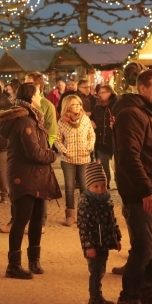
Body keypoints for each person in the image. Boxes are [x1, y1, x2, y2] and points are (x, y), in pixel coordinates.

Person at [112, 69, 152, 304]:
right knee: (144, 246)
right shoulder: (131, 114)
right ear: (142, 88)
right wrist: (145, 189)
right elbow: (129, 157)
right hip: (140, 193)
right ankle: (128, 297)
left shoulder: (148, 113)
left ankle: (146, 289)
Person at [0, 83, 59, 280]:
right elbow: (33, 152)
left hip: (36, 176)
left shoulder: (32, 117)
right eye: (39, 93)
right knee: (20, 220)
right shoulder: (24, 120)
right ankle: (13, 265)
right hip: (23, 176)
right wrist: (52, 155)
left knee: (37, 218)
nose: (41, 97)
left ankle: (34, 260)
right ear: (31, 96)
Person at [78, 162, 122, 304]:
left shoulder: (106, 200)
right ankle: (95, 301)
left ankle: (99, 296)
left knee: (101, 270)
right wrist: (88, 246)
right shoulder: (85, 203)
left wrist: (117, 236)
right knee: (96, 272)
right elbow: (83, 227)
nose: (100, 189)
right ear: (89, 186)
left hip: (104, 243)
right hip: (94, 246)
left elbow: (112, 220)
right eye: (96, 186)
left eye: (103, 185)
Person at [56, 94, 95, 227]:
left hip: (84, 158)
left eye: (79, 104)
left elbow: (91, 135)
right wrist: (65, 151)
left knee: (84, 187)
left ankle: (85, 214)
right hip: (68, 160)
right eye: (74, 104)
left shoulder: (85, 119)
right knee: (69, 188)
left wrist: (89, 147)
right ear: (67, 106)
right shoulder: (62, 121)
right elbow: (57, 139)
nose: (78, 106)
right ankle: (70, 215)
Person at [92, 84, 117, 189]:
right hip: (101, 141)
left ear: (109, 93)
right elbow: (94, 118)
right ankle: (106, 184)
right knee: (104, 165)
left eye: (102, 93)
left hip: (114, 140)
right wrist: (91, 120)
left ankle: (119, 182)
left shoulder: (116, 104)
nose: (99, 95)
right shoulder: (97, 106)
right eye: (99, 93)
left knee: (117, 165)